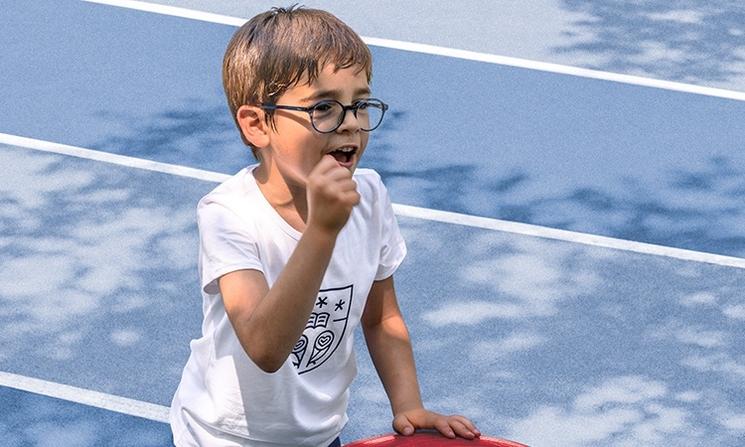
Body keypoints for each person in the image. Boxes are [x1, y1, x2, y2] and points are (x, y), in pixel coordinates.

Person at [169, 5, 480, 447]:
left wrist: (407, 404)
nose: (350, 122)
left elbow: (382, 317)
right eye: (324, 107)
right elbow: (265, 347)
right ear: (257, 124)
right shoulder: (228, 213)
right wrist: (322, 231)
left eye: (359, 104)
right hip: (225, 438)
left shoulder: (369, 196)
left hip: (319, 435)